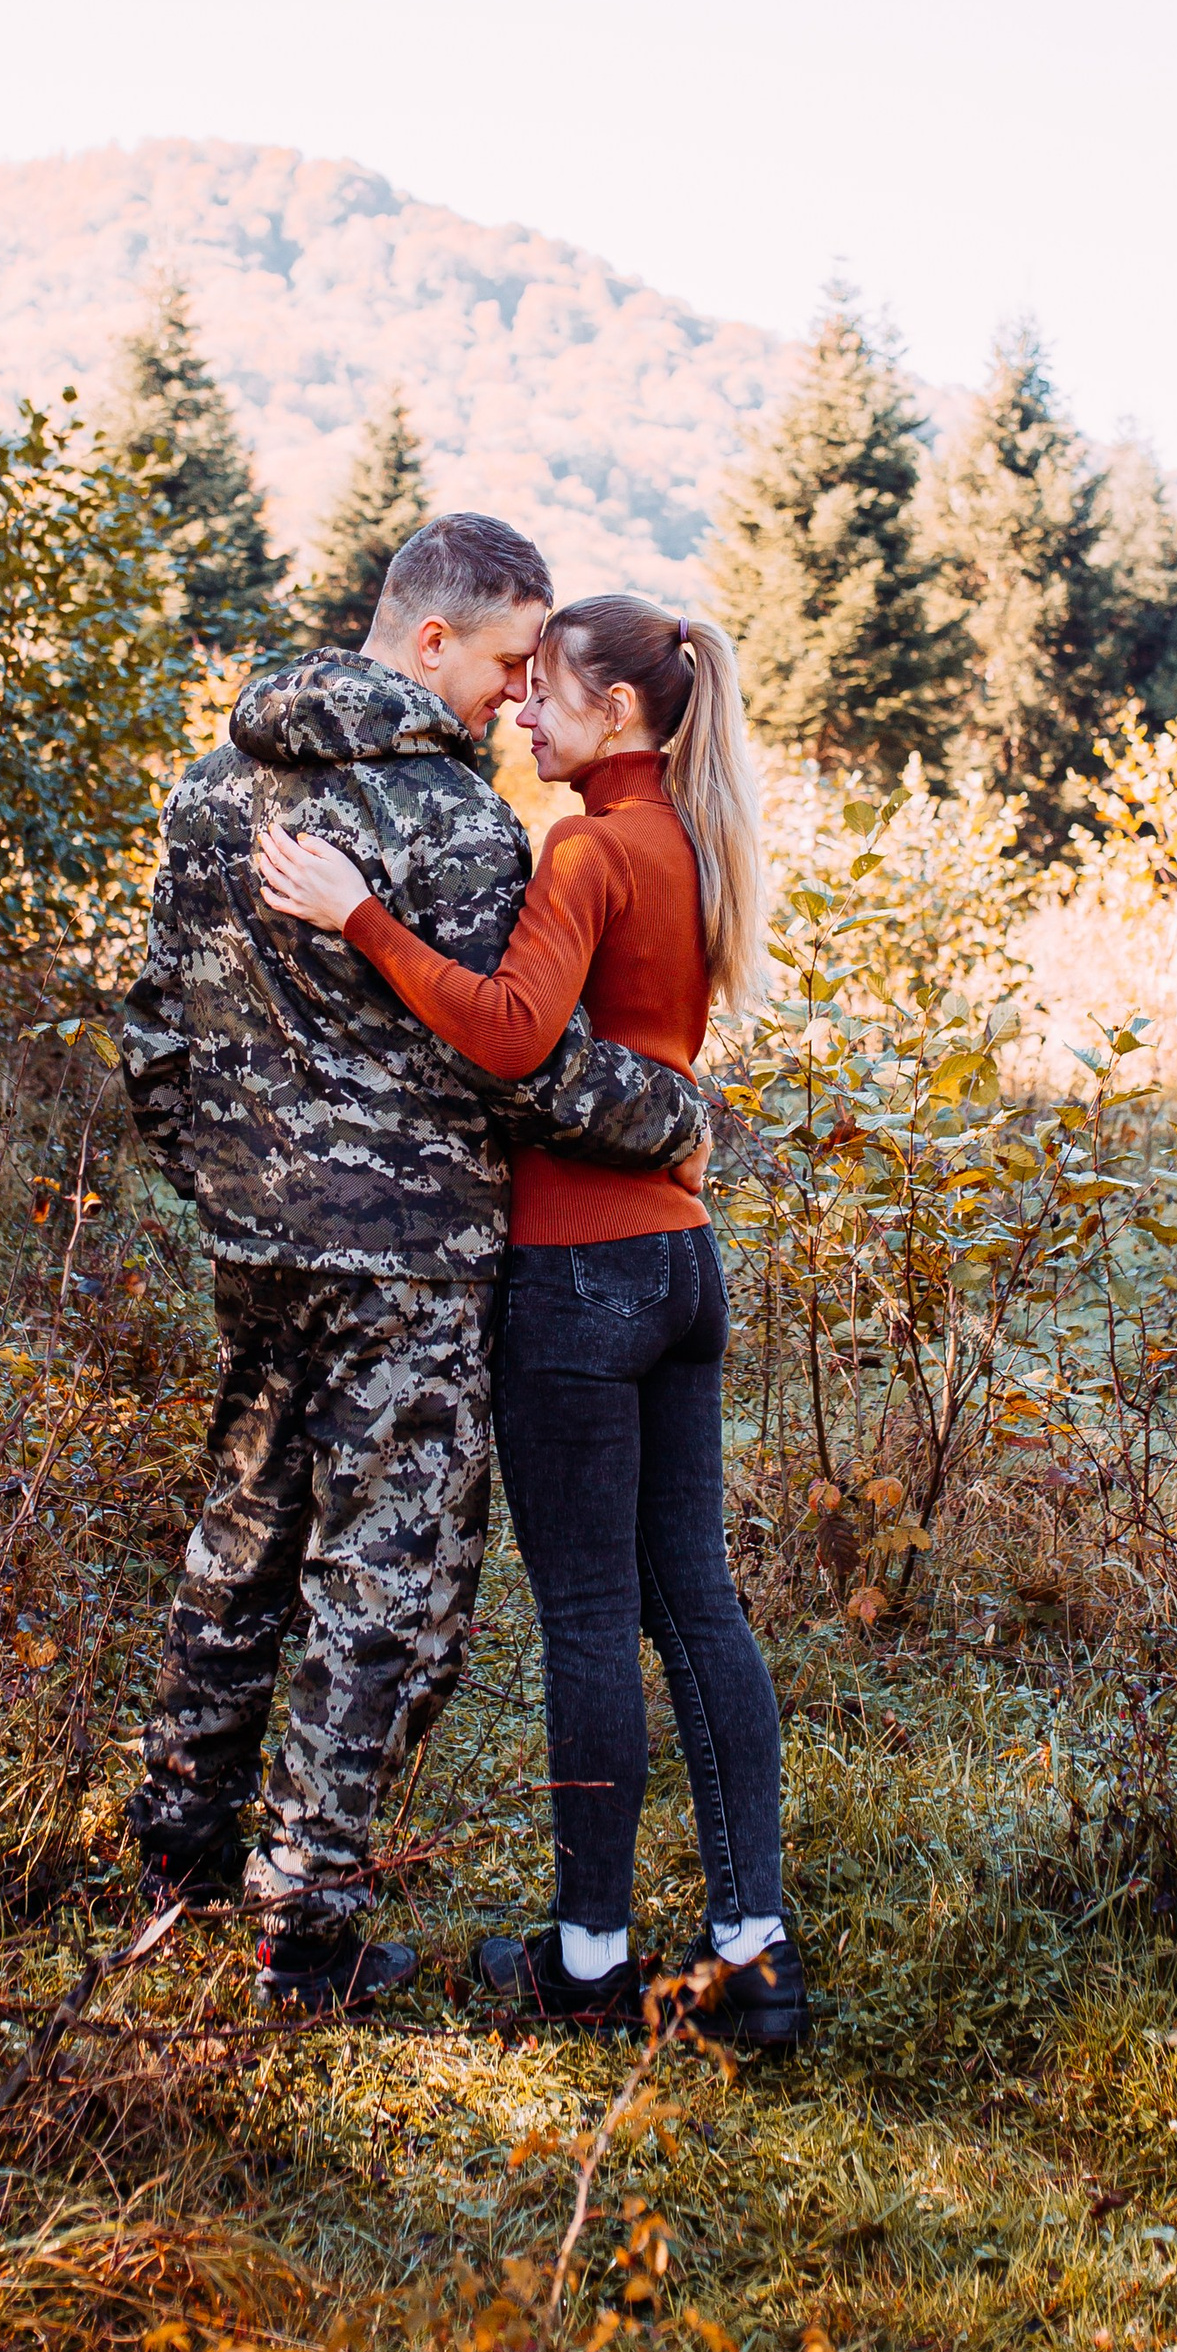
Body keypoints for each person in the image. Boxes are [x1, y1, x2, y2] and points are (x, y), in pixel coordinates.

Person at [117, 514, 710, 2018]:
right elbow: (527, 1068)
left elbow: (153, 1041)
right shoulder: (453, 826)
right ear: (431, 640)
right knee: (383, 1584)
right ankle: (301, 1935)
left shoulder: (211, 790)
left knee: (242, 1539)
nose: (513, 705)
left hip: (260, 1254)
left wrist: (239, 1190)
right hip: (415, 1274)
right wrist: (677, 1116)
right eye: (509, 661)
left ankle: (173, 1856)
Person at [257, 594, 808, 2050]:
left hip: (580, 1275)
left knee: (584, 1619)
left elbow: (510, 1035)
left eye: (548, 691)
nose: (523, 712)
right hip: (685, 1264)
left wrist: (356, 915)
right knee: (698, 1604)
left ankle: (587, 1961)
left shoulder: (590, 843)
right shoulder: (695, 840)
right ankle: (754, 1950)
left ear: (620, 712)